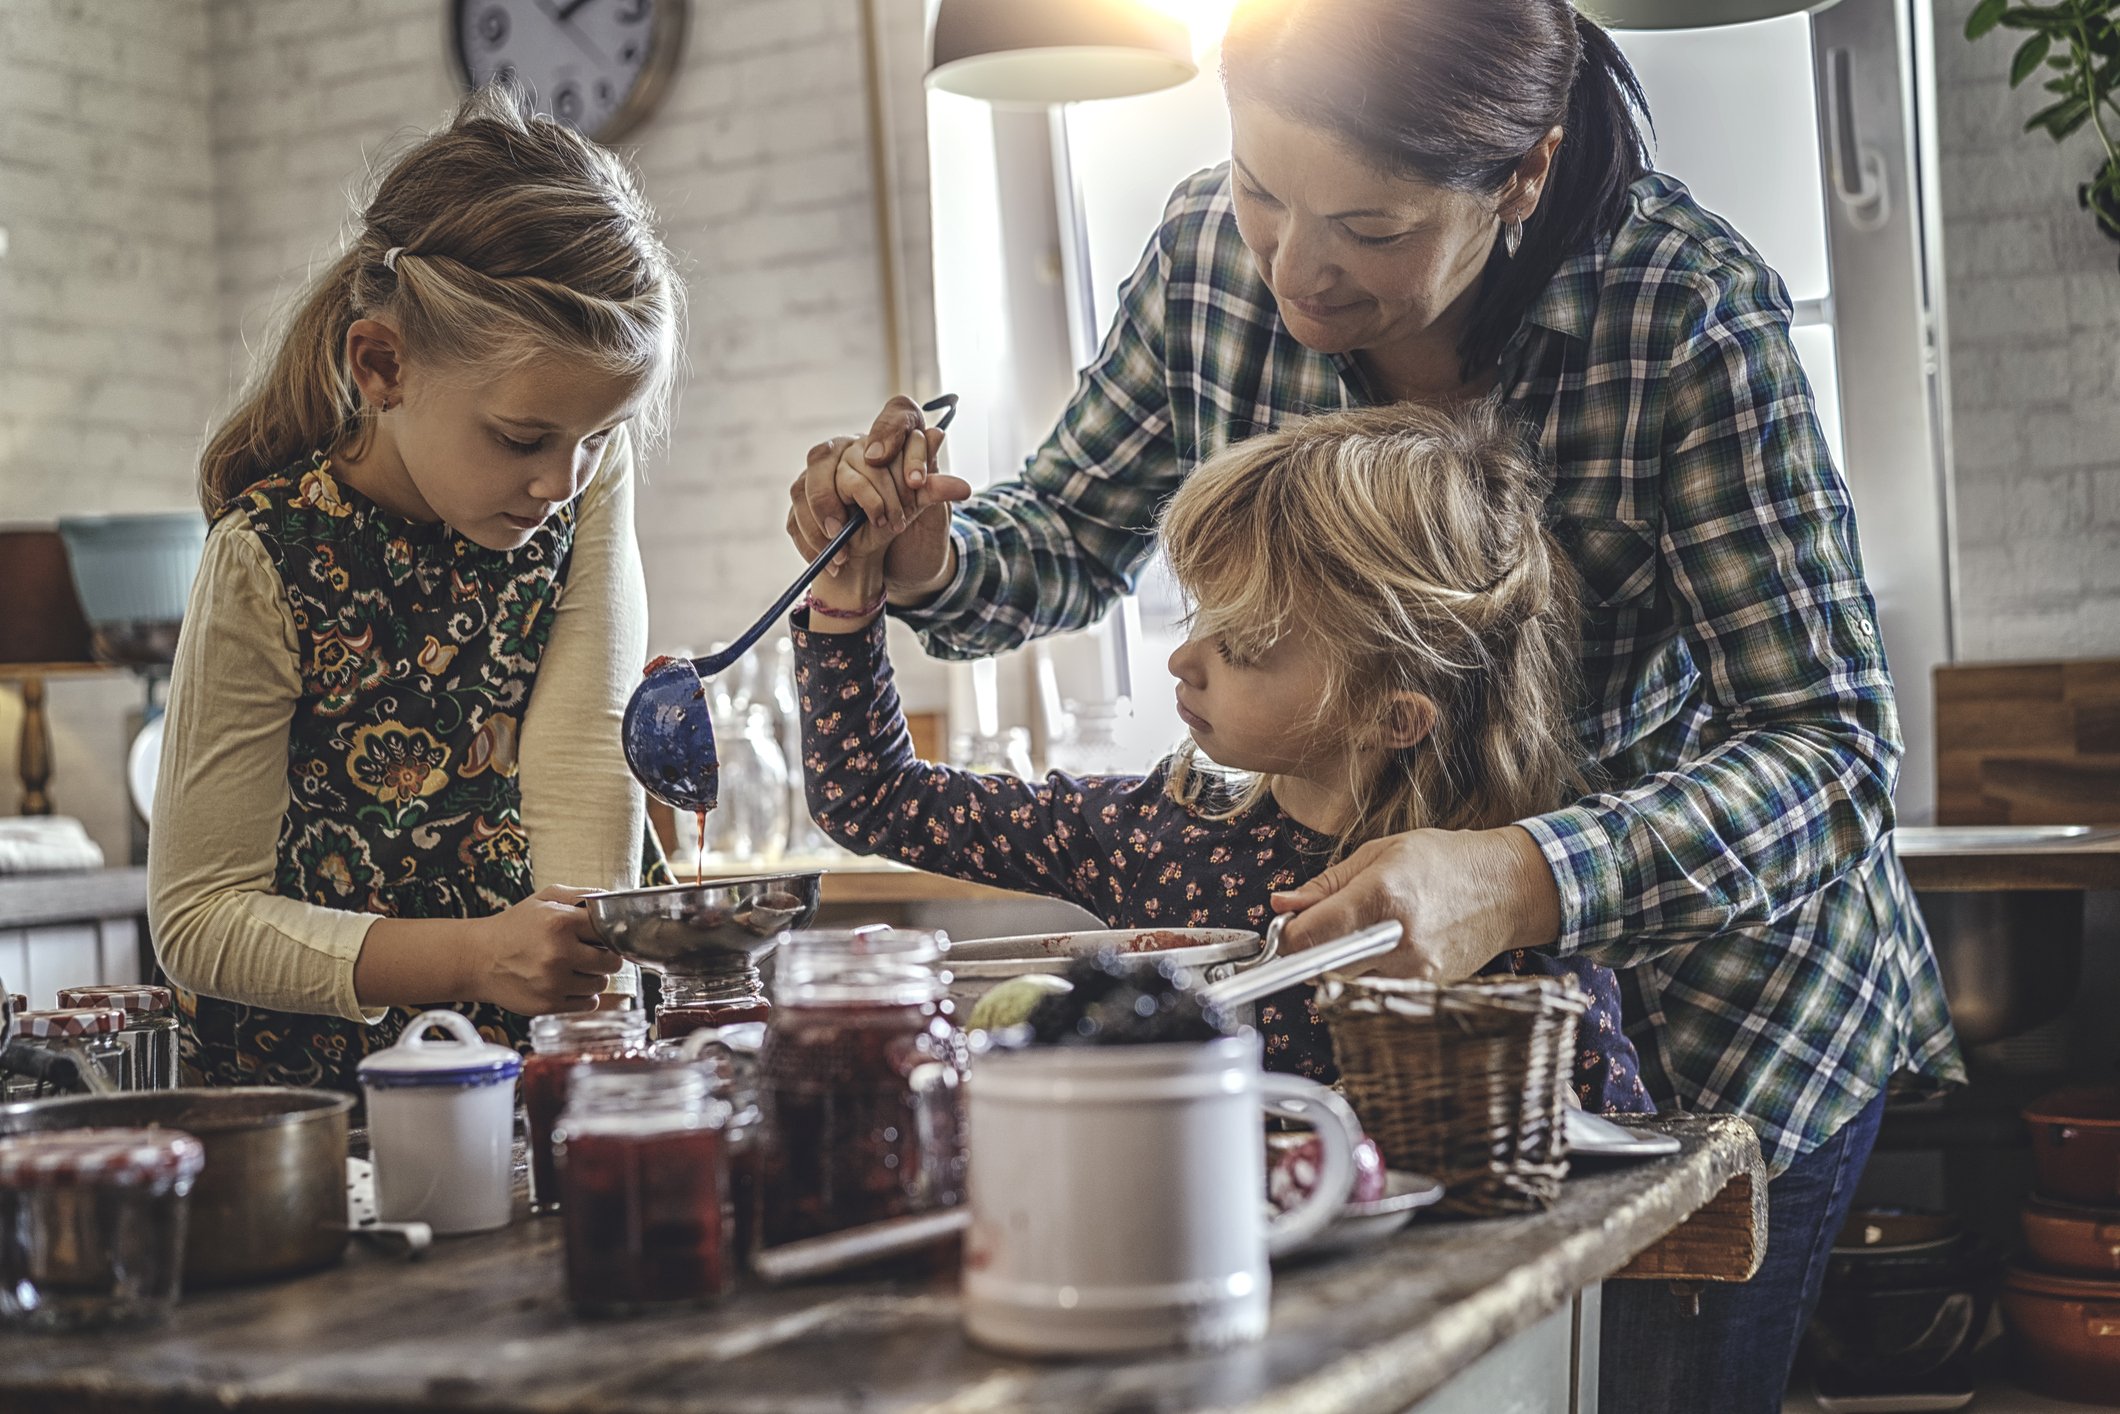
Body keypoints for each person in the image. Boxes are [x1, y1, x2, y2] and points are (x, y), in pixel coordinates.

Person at [789, 2, 1960, 1407]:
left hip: (1722, 1020)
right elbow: (1050, 539)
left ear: (1518, 175)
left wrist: (1525, 876)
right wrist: (923, 556)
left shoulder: (1682, 309)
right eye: (1260, 189)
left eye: (1373, 227)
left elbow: (1831, 753)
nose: (1297, 265)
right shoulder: (1202, 264)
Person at [794, 402, 1651, 1114]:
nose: (1182, 658)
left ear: (1392, 714)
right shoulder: (1152, 834)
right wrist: (849, 591)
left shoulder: (1498, 916)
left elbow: (1609, 1169)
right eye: (1199, 614)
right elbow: (870, 796)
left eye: (1241, 643)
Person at [147, 84, 682, 1092]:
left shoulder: (570, 484)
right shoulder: (267, 557)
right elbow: (199, 921)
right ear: (383, 363)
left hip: (540, 1069)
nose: (558, 483)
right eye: (523, 438)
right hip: (320, 1103)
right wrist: (476, 955)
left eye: (597, 438)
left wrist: (588, 1031)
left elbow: (579, 774)